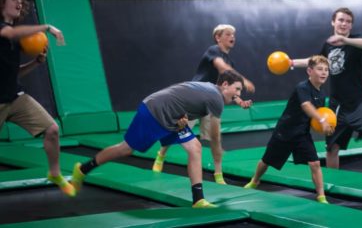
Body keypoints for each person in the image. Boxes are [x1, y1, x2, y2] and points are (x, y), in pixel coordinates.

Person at [70, 70, 244, 208]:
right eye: (237, 89)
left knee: (195, 147)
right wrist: (218, 151)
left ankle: (198, 199)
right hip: (155, 111)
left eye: (240, 91)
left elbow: (183, 97)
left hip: (172, 117)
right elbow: (215, 134)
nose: (237, 94)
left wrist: (183, 117)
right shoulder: (216, 98)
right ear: (225, 84)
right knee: (126, 149)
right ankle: (83, 169)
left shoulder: (209, 88)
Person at [292, 8, 362, 177]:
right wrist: (290, 62)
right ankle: (333, 182)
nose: (344, 24)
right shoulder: (327, 46)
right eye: (341, 20)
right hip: (337, 105)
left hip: (359, 100)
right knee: (332, 148)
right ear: (333, 22)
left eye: (348, 21)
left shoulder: (355, 42)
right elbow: (312, 62)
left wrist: (344, 40)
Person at [152, 24, 255, 186]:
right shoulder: (213, 51)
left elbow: (230, 88)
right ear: (218, 37)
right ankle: (161, 155)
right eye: (228, 34)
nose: (232, 37)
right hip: (193, 98)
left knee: (216, 138)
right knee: (176, 128)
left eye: (233, 34)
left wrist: (240, 101)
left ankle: (218, 174)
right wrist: (244, 79)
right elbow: (221, 67)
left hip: (212, 102)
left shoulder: (231, 63)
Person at [0, 0, 72, 196]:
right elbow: (10, 32)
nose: (19, 2)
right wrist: (48, 27)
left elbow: (13, 74)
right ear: (1, 3)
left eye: (20, 0)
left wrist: (36, 63)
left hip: (15, 97)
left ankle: (54, 173)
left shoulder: (16, 39)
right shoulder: (5, 30)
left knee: (52, 130)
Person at [244, 55, 333, 203]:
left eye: (326, 70)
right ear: (309, 71)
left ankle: (321, 196)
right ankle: (255, 180)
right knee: (266, 161)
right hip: (285, 132)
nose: (324, 72)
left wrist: (324, 127)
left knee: (315, 163)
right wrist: (322, 120)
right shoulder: (302, 87)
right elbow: (306, 106)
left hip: (302, 133)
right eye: (319, 69)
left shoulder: (321, 94)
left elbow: (314, 118)